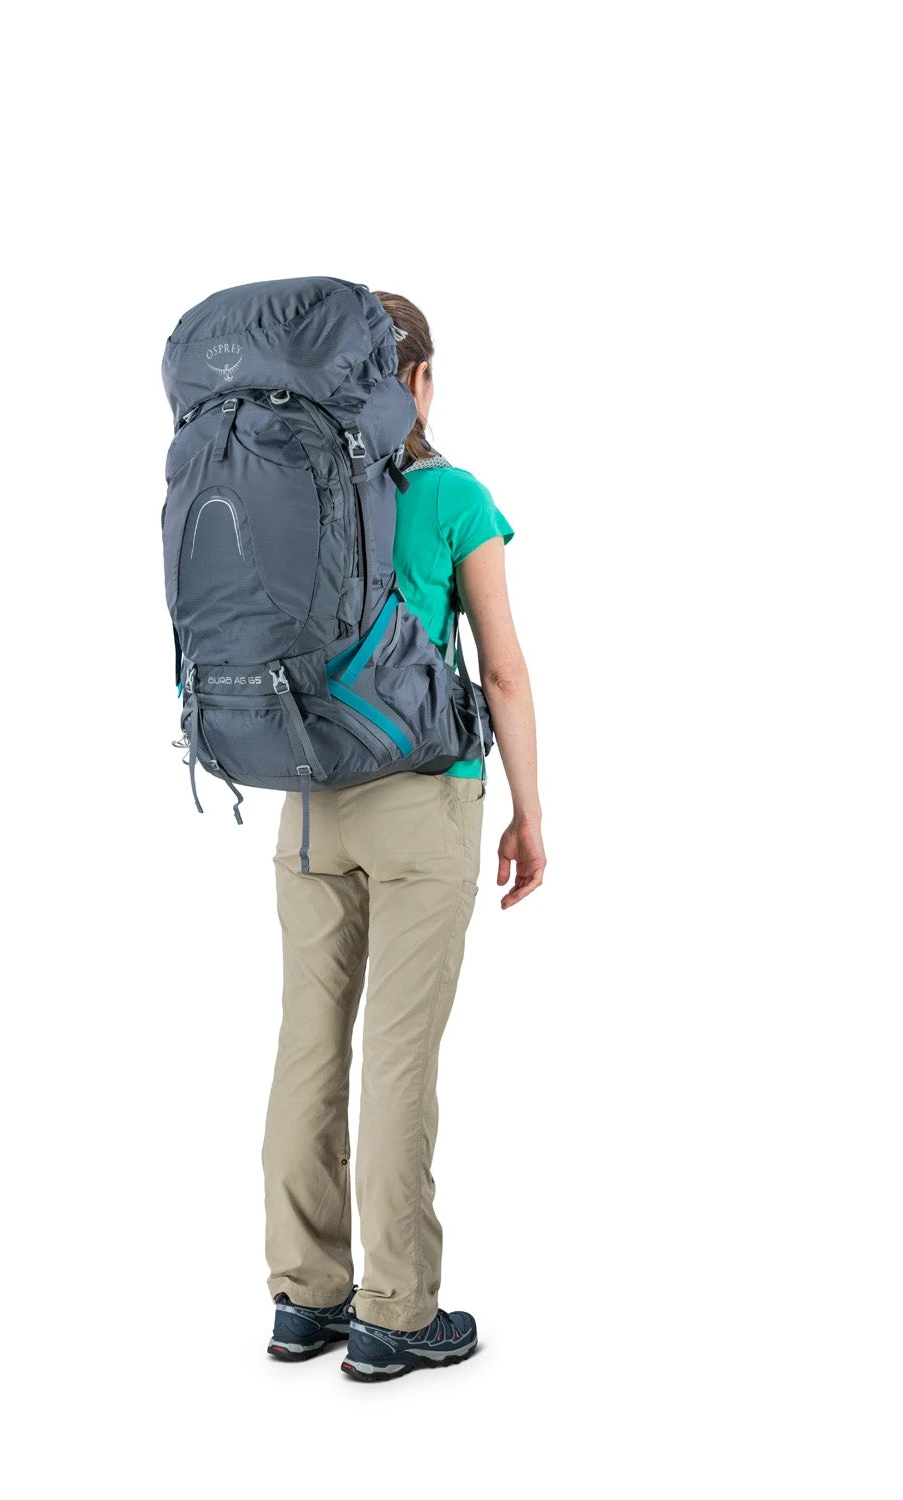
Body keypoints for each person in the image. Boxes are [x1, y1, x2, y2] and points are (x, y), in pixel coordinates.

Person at [262, 291, 546, 1380]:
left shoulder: (299, 491)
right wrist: (529, 810)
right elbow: (503, 673)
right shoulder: (453, 497)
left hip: (309, 802)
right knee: (397, 1056)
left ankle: (304, 1298)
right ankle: (394, 1311)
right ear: (417, 379)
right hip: (425, 798)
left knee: (308, 1045)